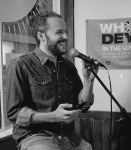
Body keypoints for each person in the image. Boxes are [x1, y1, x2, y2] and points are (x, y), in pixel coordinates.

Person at [6, 11, 98, 150]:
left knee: (88, 148)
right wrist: (52, 117)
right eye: (59, 32)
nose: (66, 37)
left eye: (66, 32)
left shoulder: (68, 65)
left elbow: (82, 104)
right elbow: (14, 113)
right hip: (35, 136)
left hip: (67, 135)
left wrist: (89, 81)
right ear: (41, 36)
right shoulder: (21, 65)